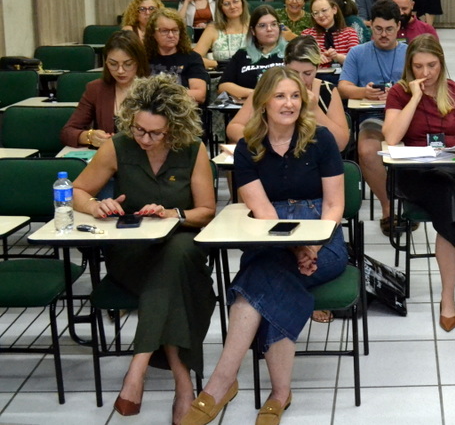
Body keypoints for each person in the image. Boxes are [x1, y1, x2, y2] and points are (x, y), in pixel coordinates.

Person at [183, 67, 348, 425]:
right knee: (271, 277)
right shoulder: (248, 148)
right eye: (279, 96)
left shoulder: (321, 140)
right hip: (271, 237)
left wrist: (313, 246)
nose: (288, 103)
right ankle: (278, 393)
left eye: (294, 96)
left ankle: (220, 383)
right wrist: (295, 248)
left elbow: (335, 205)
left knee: (255, 282)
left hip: (324, 238)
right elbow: (263, 210)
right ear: (262, 103)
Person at [71, 73, 216, 424]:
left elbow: (206, 212)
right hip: (131, 251)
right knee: (173, 279)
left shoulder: (192, 149)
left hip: (181, 243)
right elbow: (77, 192)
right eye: (139, 130)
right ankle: (184, 387)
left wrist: (172, 213)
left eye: (155, 133)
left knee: (178, 253)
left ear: (174, 127)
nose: (145, 139)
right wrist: (95, 207)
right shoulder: (118, 145)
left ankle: (137, 370)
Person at [382, 35, 455, 332]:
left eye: (432, 65)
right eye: (418, 66)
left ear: (442, 63)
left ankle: (447, 299)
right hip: (415, 174)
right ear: (409, 66)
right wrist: (416, 98)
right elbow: (392, 138)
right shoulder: (399, 93)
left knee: (451, 199)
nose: (425, 73)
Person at [338, 0, 410, 234]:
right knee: (367, 151)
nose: (383, 35)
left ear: (398, 27)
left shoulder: (410, 52)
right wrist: (364, 91)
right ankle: (388, 206)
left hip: (406, 117)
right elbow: (343, 87)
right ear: (371, 27)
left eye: (389, 29)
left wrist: (400, 92)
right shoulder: (357, 52)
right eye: (378, 29)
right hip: (371, 115)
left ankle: (411, 202)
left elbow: (427, 85)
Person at [227, 35, 350, 152]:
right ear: (285, 65)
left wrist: (315, 110)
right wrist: (261, 143)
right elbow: (234, 127)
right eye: (294, 73)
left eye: (307, 73)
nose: (300, 80)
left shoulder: (327, 91)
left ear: (317, 68)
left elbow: (341, 143)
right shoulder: (268, 87)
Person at [61, 30, 150, 148]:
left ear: (139, 62)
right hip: (108, 158)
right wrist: (90, 136)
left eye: (128, 64)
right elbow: (67, 132)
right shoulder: (96, 89)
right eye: (113, 64)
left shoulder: (154, 90)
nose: (120, 71)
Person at [218, 6, 287, 101]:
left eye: (274, 24)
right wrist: (255, 94)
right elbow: (223, 86)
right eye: (262, 25)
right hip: (249, 108)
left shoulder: (291, 51)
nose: (269, 29)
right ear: (253, 31)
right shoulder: (242, 54)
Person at [144, 9, 209, 104]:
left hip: (181, 112)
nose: (171, 35)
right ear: (153, 33)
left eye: (175, 30)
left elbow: (199, 95)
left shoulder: (192, 58)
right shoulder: (144, 58)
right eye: (164, 31)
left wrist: (162, 94)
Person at [193, 0, 250, 69]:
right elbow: (194, 58)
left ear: (242, 2)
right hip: (221, 76)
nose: (232, 6)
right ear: (221, 8)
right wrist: (217, 64)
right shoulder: (212, 29)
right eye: (226, 4)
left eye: (235, 1)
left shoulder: (254, 26)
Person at [302, 0, 358, 67]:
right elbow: (300, 60)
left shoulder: (350, 33)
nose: (320, 15)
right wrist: (314, 59)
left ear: (334, 9)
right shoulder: (307, 35)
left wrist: (337, 57)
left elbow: (356, 62)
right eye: (315, 13)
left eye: (324, 10)